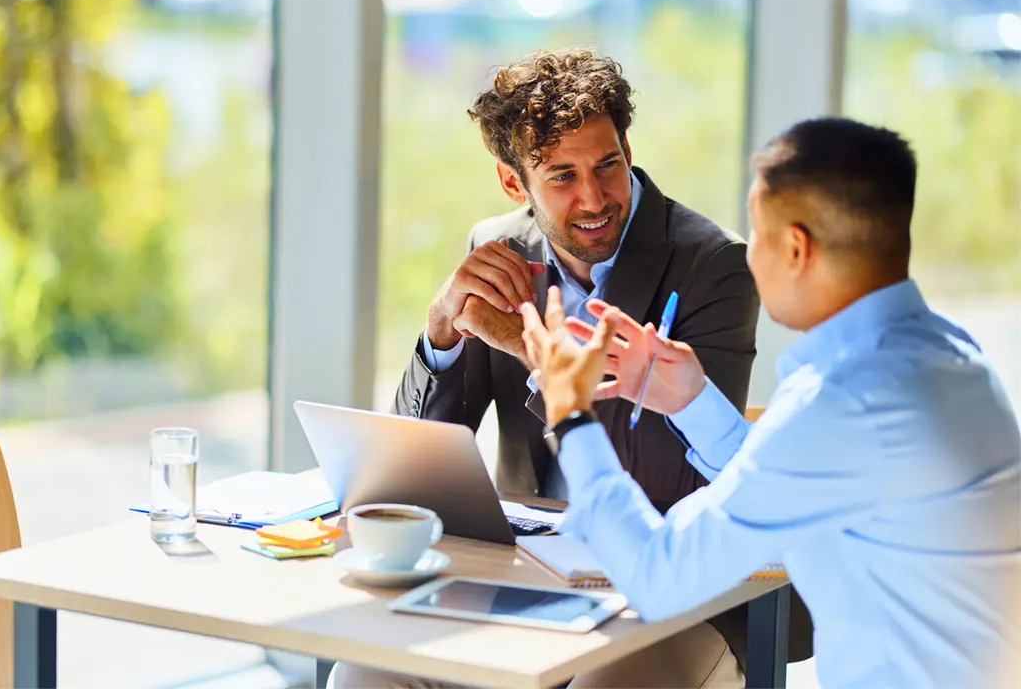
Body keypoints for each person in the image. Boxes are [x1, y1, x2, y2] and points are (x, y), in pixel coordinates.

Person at [336, 48, 812, 688]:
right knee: (365, 672)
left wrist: (534, 352)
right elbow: (413, 471)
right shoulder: (497, 250)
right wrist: (440, 331)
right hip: (525, 573)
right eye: (562, 176)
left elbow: (669, 475)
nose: (594, 198)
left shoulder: (715, 265)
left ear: (628, 150)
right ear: (514, 183)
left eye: (607, 165)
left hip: (677, 596)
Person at [520, 117, 1021, 688]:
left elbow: (658, 578)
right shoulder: (953, 361)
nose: (750, 254)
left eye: (757, 233)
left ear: (796, 248)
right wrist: (691, 400)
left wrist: (572, 415)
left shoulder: (840, 401)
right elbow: (790, 486)